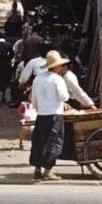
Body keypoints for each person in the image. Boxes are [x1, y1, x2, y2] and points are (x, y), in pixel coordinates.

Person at [28, 50, 71, 181]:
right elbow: (64, 96)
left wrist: (39, 106)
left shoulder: (37, 79)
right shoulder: (57, 79)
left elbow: (33, 100)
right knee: (53, 142)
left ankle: (37, 169)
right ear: (57, 66)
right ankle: (48, 171)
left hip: (41, 115)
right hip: (55, 115)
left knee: (39, 142)